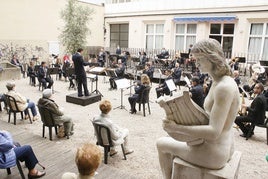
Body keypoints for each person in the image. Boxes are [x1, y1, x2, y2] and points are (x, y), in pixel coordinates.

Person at [156, 39, 240, 178]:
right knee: (170, 138)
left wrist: (176, 128)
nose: (196, 63)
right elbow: (207, 117)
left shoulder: (223, 87)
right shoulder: (220, 81)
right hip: (222, 145)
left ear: (212, 58)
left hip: (215, 152)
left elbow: (214, 132)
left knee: (161, 144)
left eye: (200, 59)